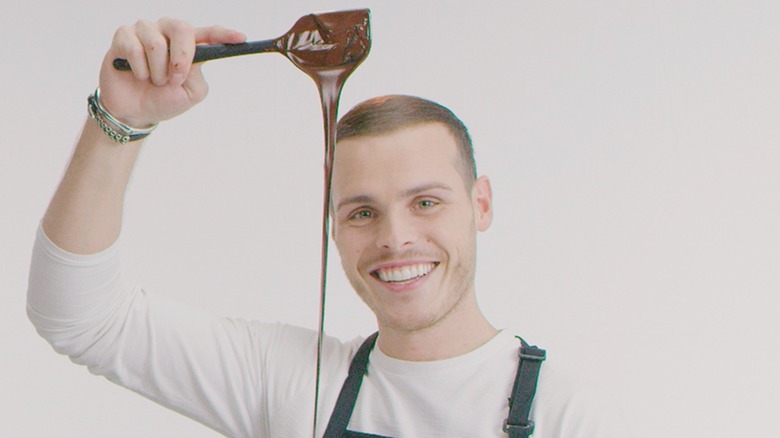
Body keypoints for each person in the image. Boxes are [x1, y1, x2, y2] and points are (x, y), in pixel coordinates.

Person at [27, 18, 630, 437]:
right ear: (332, 229)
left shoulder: (568, 416)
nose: (395, 237)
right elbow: (80, 316)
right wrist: (119, 121)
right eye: (362, 212)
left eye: (426, 202)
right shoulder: (293, 385)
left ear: (482, 205)